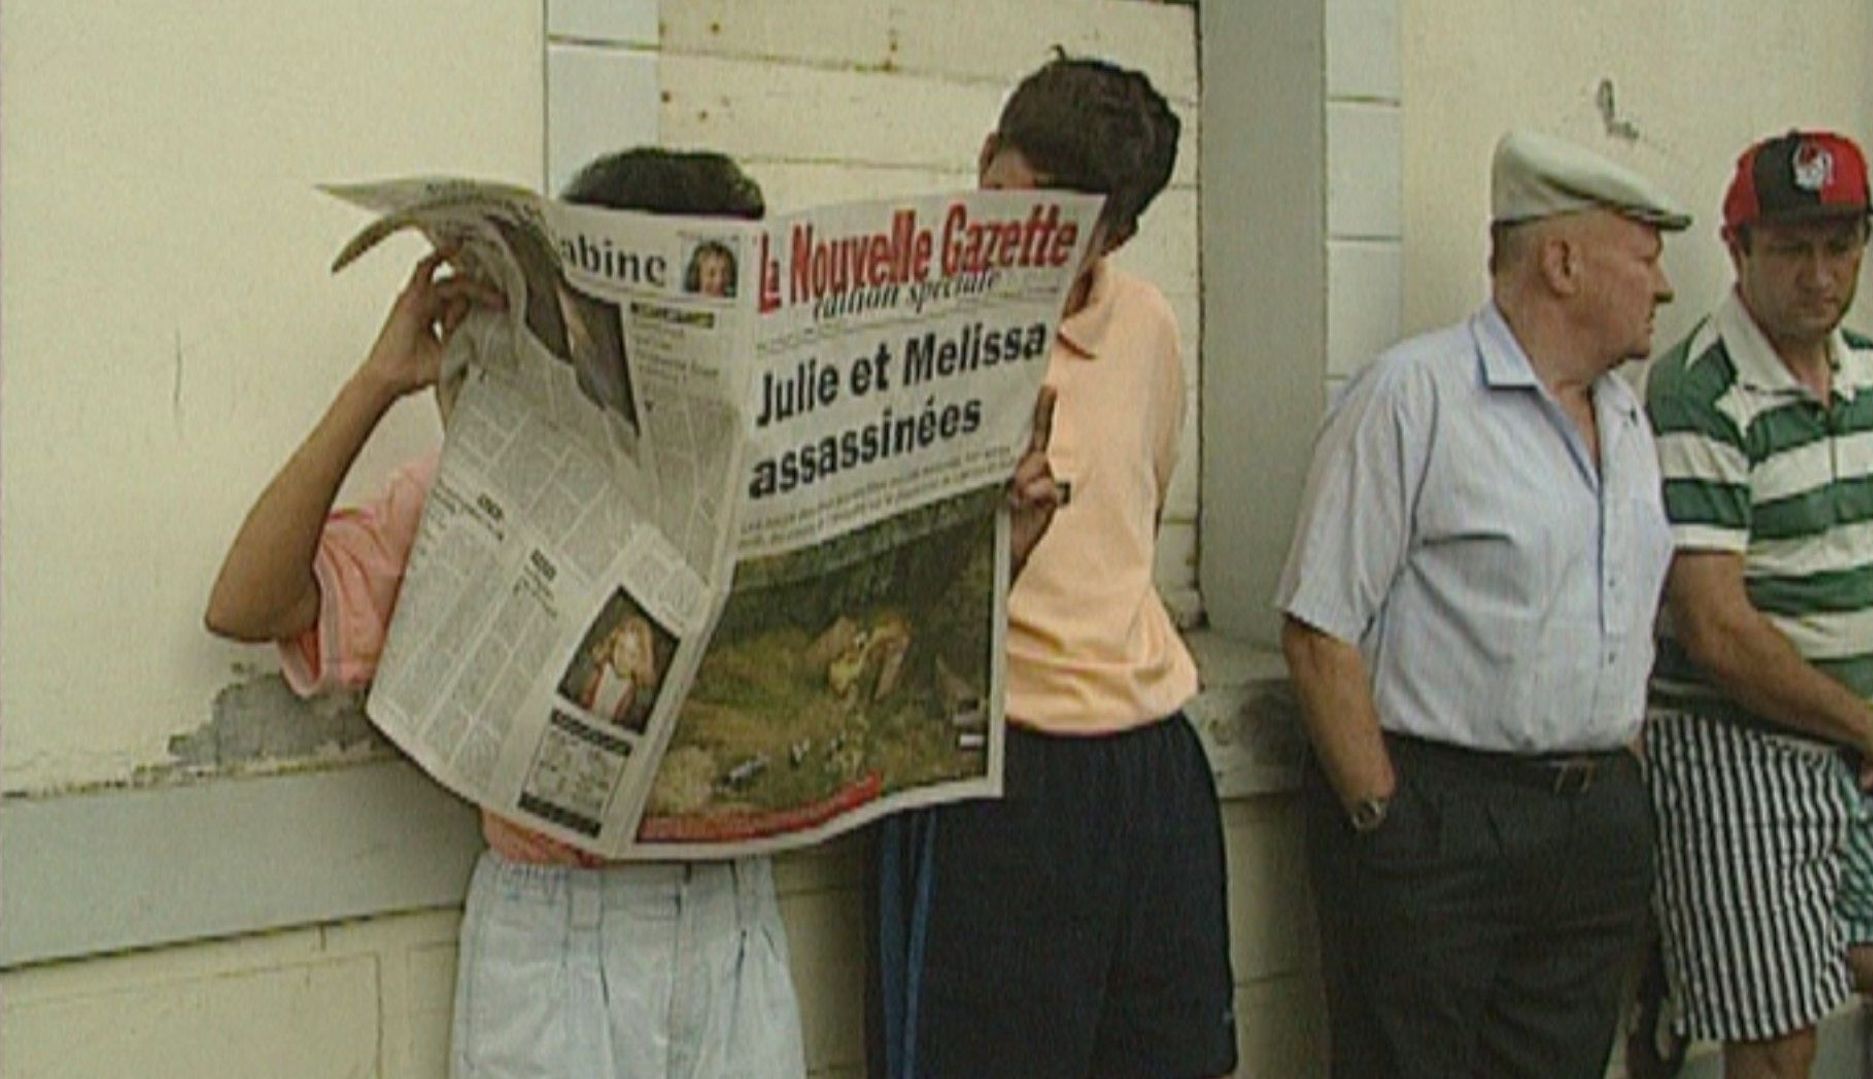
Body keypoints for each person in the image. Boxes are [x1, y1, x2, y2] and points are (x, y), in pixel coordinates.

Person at [203, 147, 808, 1079]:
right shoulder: (478, 488)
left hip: (733, 914)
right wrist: (378, 382)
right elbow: (246, 602)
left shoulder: (771, 497)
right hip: (561, 932)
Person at [1275, 129, 1689, 1079]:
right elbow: (1317, 630)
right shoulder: (1414, 398)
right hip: (1442, 821)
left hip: (1589, 828)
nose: (1664, 285)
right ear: (1562, 260)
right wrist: (1385, 823)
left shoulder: (1627, 420)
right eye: (1647, 252)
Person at [866, 54, 1237, 1079]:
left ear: (1117, 235)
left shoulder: (1148, 327)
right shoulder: (900, 328)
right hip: (993, 759)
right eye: (1013, 212)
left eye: (1070, 239)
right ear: (987, 163)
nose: (1029, 255)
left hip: (1146, 756)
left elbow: (1136, 509)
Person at [1638, 129, 1873, 1079]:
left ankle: (1717, 958)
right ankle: (1739, 959)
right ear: (1738, 248)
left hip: (1859, 734)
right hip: (1733, 741)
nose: (1821, 274)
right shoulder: (1698, 390)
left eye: (1841, 246)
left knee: (1848, 959)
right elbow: (1716, 628)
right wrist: (1872, 722)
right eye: (1793, 248)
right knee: (1779, 1044)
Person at [582, 615, 658, 731]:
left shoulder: (635, 695)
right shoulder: (597, 670)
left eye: (632, 655)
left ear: (642, 661)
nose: (623, 658)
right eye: (621, 647)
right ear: (613, 644)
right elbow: (582, 695)